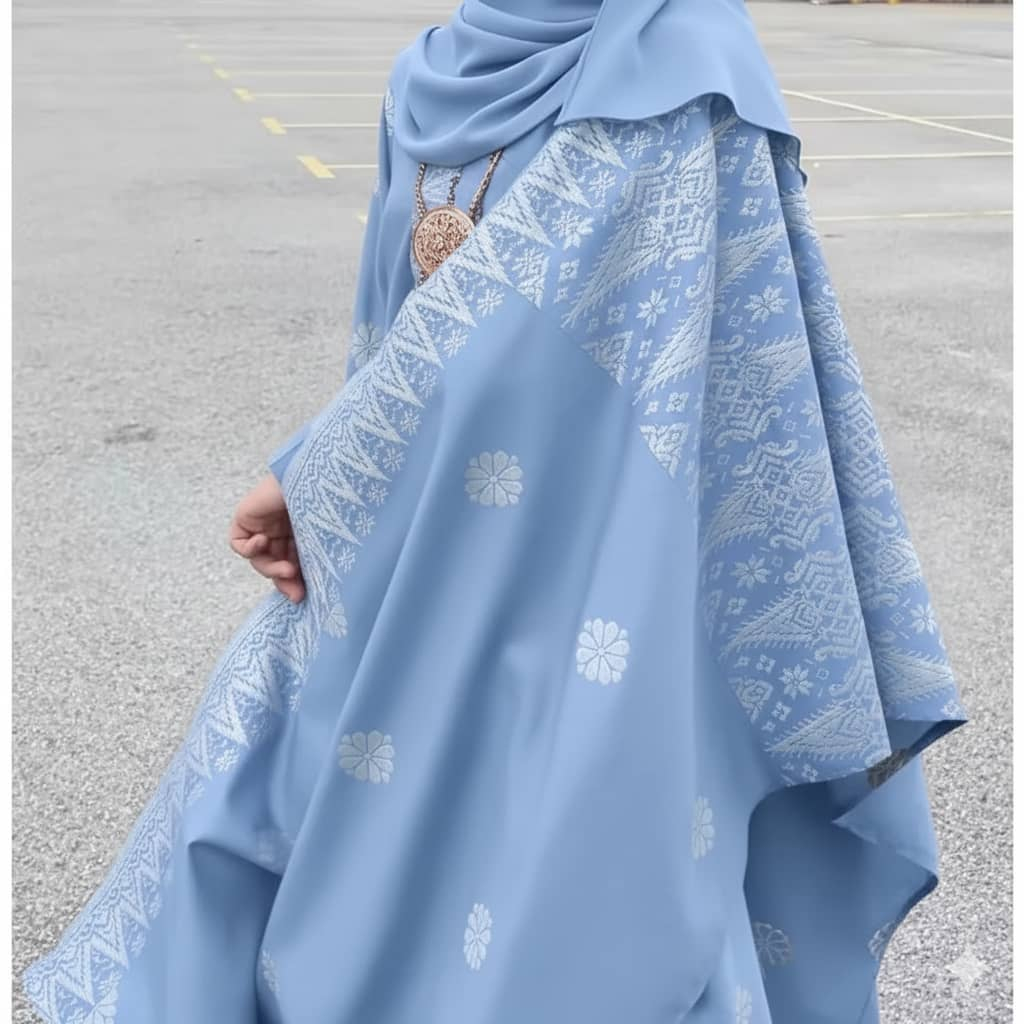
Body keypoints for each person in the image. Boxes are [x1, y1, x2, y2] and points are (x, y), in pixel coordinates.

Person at [23, 1, 968, 1020]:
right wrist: (332, 492)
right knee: (361, 852)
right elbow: (391, 339)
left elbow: (631, 342)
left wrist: (319, 471)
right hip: (430, 549)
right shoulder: (430, 75)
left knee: (571, 897)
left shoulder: (682, 63)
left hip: (601, 567)